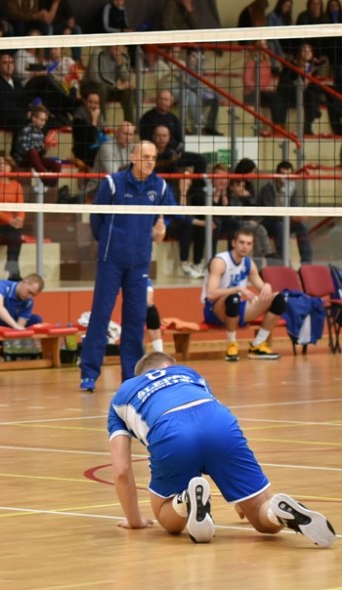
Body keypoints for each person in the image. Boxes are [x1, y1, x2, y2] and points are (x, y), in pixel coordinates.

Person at [107, 351, 335, 547]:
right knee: (263, 521)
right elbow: (209, 423)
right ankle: (275, 512)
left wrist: (134, 521)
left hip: (171, 432)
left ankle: (186, 500)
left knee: (168, 519)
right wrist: (241, 497)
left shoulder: (123, 394)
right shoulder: (188, 374)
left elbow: (121, 470)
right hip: (219, 423)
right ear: (168, 366)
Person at [79, 141, 176, 393]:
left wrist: (162, 227)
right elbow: (96, 218)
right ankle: (89, 373)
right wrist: (109, 243)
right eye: (145, 156)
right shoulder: (113, 183)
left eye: (153, 157)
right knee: (101, 315)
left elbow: (168, 215)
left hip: (140, 261)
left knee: (136, 318)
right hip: (111, 260)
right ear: (133, 157)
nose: (150, 161)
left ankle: (131, 376)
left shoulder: (160, 186)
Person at [203, 226, 285, 362]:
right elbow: (211, 294)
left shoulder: (248, 263)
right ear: (233, 243)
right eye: (241, 242)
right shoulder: (220, 262)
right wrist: (238, 289)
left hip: (236, 308)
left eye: (248, 244)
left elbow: (261, 287)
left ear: (252, 246)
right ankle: (232, 344)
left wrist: (267, 286)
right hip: (214, 310)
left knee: (279, 299)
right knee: (234, 298)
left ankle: (257, 345)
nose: (244, 247)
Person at [0, 274, 44, 362]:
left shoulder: (29, 301)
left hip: (7, 326)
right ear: (25, 282)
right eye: (29, 292)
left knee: (36, 319)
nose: (29, 296)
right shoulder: (1, 285)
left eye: (33, 295)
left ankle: (9, 351)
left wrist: (17, 330)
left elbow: (21, 325)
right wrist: (15, 326)